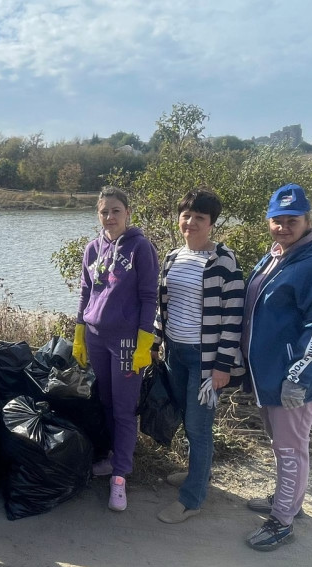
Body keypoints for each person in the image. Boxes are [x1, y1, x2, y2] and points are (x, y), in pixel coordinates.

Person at [242, 183, 312, 551]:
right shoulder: (278, 255)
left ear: (307, 220)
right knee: (281, 443)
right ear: (268, 220)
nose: (283, 226)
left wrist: (298, 375)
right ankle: (287, 501)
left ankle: (282, 520)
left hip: (293, 378)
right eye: (277, 220)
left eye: (292, 220)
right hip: (270, 375)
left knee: (290, 448)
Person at [150, 189, 245, 524]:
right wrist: (154, 342)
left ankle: (192, 499)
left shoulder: (224, 262)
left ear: (212, 224)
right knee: (186, 420)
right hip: (175, 352)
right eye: (186, 215)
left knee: (198, 425)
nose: (190, 223)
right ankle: (198, 474)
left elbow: (234, 317)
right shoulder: (173, 258)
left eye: (199, 218)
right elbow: (165, 308)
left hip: (206, 361)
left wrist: (222, 367)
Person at [72, 186, 159, 511]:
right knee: (106, 402)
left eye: (116, 211)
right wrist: (80, 331)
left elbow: (149, 298)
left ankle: (120, 477)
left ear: (128, 213)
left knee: (123, 409)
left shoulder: (141, 247)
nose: (109, 217)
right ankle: (112, 458)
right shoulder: (93, 248)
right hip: (96, 336)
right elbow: (85, 292)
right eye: (104, 211)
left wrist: (144, 342)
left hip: (125, 342)